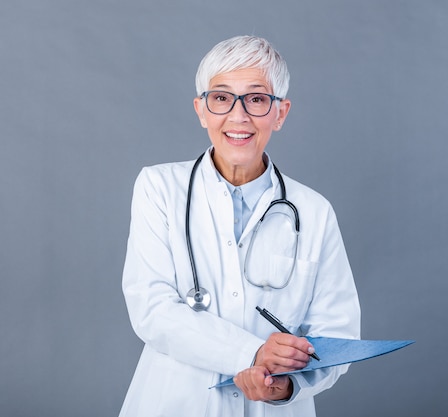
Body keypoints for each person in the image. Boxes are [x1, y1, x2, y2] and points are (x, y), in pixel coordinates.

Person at [120, 35, 360, 417]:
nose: (238, 116)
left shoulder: (313, 211)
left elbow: (337, 335)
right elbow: (152, 308)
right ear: (201, 110)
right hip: (175, 403)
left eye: (256, 98)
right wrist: (251, 353)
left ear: (280, 113)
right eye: (221, 98)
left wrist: (285, 386)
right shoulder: (159, 188)